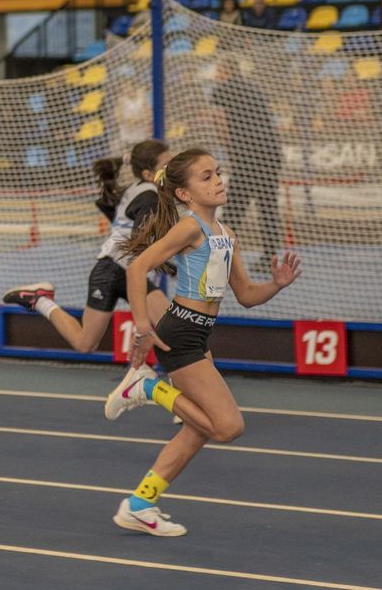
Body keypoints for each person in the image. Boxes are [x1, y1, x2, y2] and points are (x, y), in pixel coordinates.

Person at [104, 148, 301, 537]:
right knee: (227, 427)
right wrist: (142, 326)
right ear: (185, 194)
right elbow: (138, 266)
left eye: (218, 173)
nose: (219, 180)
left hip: (199, 334)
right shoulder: (189, 227)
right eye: (207, 177)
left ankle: (141, 503)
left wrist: (275, 286)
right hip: (180, 332)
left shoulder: (227, 235)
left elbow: (245, 294)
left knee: (197, 430)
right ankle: (145, 386)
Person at [3, 139, 173, 352]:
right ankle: (39, 300)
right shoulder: (149, 196)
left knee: (175, 331)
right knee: (85, 344)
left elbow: (114, 213)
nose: (173, 168)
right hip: (111, 272)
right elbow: (141, 248)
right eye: (167, 166)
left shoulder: (141, 189)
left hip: (127, 269)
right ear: (148, 174)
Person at [211, 57, 283, 277]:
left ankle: (219, 257)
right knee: (268, 207)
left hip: (248, 155)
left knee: (234, 207)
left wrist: (230, 152)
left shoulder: (221, 89)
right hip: (270, 153)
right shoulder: (253, 87)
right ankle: (270, 257)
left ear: (225, 70)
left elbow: (220, 120)